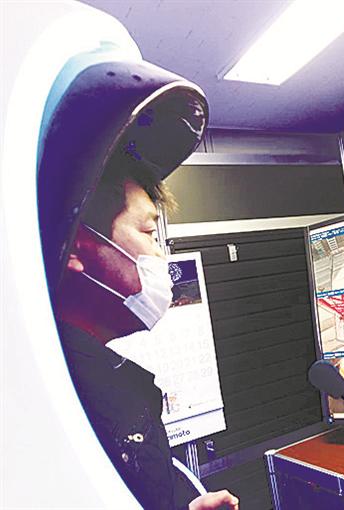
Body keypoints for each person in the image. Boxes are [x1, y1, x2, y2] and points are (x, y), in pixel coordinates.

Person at [37, 58, 239, 509]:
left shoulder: (95, 379)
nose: (160, 257)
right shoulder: (65, 403)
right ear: (78, 248)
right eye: (148, 233)